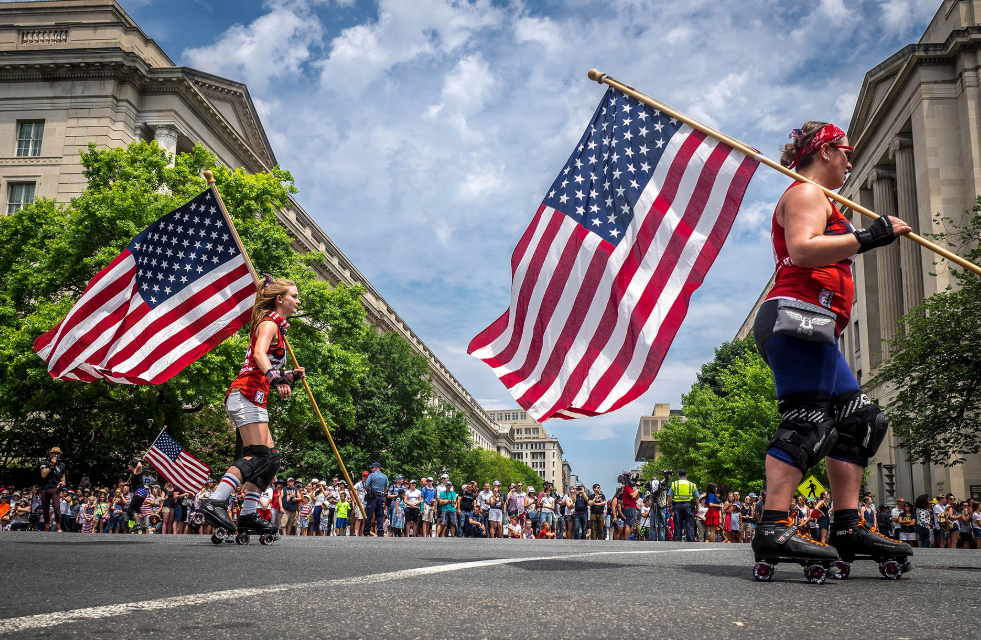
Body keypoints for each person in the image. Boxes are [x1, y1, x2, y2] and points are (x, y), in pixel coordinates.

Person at [751, 122, 913, 568]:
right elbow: (803, 250)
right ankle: (773, 526)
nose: (850, 161)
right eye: (846, 151)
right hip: (796, 317)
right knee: (808, 423)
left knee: (861, 421)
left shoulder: (823, 199)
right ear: (825, 151)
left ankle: (847, 525)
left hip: (817, 324)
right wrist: (869, 236)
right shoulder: (806, 193)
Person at [199, 278, 305, 539]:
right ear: (279, 299)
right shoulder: (268, 323)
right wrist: (276, 378)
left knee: (272, 460)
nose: (298, 301)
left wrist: (288, 376)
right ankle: (215, 500)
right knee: (257, 455)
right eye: (294, 296)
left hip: (256, 395)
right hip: (246, 393)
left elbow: (265, 364)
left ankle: (248, 514)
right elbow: (258, 355)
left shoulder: (277, 328)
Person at [38, 447, 66, 532]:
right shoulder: (45, 463)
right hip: (45, 488)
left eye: (58, 453)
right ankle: (46, 526)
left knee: (56, 506)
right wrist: (51, 465)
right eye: (54, 453)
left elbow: (63, 476)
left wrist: (63, 482)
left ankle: (58, 526)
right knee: (45, 508)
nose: (56, 455)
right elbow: (43, 475)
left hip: (55, 488)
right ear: (50, 455)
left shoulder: (62, 465)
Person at [669, 470, 698, 542]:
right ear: (686, 475)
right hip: (688, 506)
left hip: (677, 506)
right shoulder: (691, 485)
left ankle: (677, 539)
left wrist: (669, 506)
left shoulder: (674, 484)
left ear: (678, 476)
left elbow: (670, 496)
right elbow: (697, 497)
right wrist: (697, 507)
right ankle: (690, 539)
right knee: (689, 523)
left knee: (677, 523)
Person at [364, 462, 389, 537]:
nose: (371, 469)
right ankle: (380, 532)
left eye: (372, 468)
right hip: (381, 497)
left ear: (376, 468)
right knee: (380, 515)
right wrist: (382, 492)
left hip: (372, 498)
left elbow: (366, 486)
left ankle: (366, 531)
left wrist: (370, 491)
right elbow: (387, 488)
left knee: (369, 514)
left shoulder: (372, 475)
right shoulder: (384, 476)